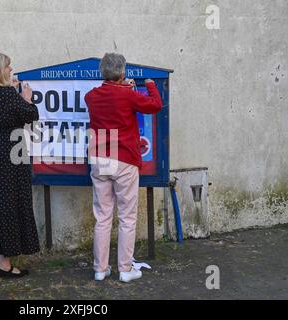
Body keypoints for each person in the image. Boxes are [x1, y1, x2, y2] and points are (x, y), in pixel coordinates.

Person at [84, 53, 163, 283]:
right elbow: (155, 105)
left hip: (99, 158)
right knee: (127, 217)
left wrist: (124, 87)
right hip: (124, 159)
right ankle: (125, 269)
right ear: (122, 73)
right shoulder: (128, 95)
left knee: (102, 217)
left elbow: (110, 95)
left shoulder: (91, 96)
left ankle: (100, 269)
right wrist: (148, 84)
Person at [0, 52, 40, 278]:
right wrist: (26, 97)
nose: (11, 69)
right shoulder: (8, 95)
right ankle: (4, 262)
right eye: (7, 66)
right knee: (11, 205)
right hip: (12, 153)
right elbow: (31, 114)